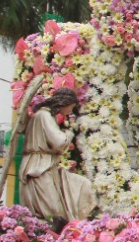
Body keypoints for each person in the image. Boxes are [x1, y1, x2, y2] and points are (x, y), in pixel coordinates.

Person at [19, 87, 97, 225]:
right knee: (52, 210)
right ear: (64, 103)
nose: (70, 111)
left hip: (48, 166)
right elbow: (58, 141)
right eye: (71, 107)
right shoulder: (44, 116)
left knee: (83, 185)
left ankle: (79, 223)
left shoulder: (47, 116)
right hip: (40, 168)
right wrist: (69, 134)